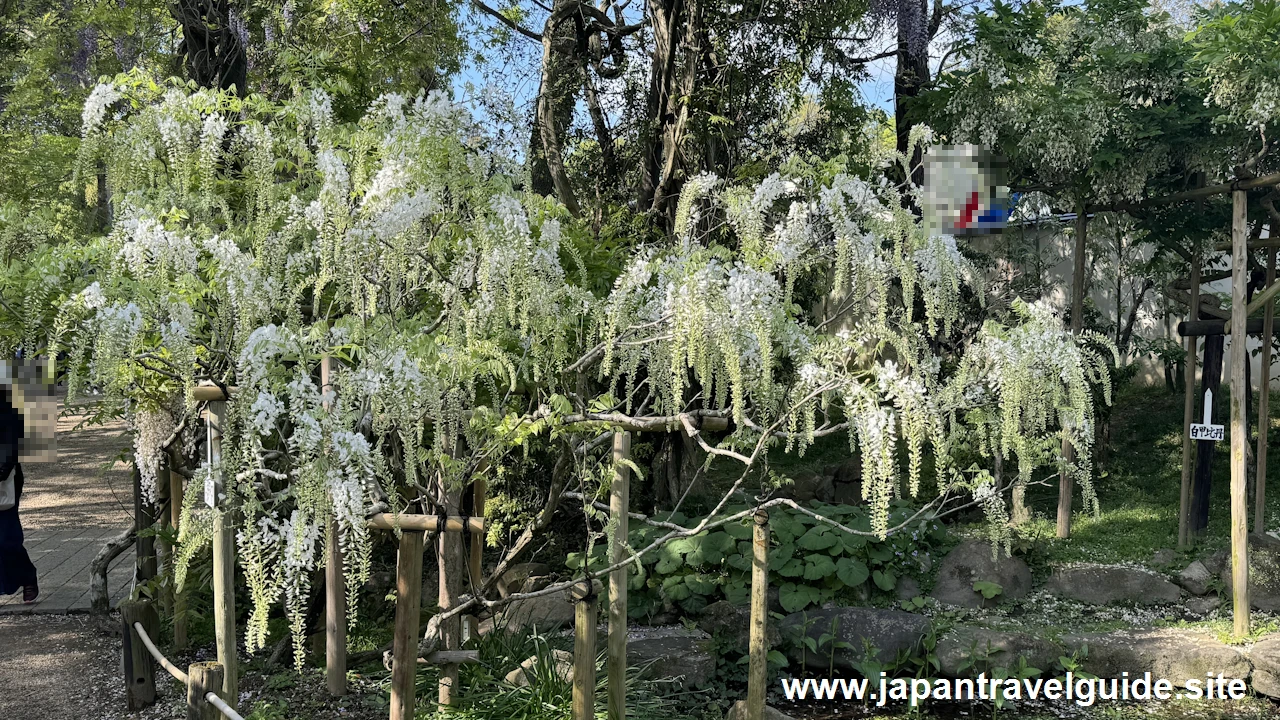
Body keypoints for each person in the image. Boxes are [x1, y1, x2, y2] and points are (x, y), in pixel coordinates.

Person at [0, 380, 37, 603]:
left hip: (5, 477)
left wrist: (3, 467)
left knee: (6, 539)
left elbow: (14, 436)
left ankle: (27, 575)